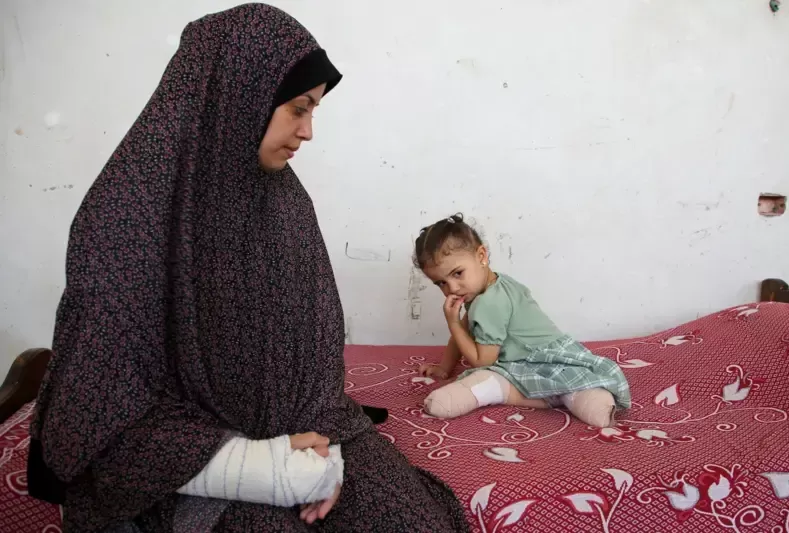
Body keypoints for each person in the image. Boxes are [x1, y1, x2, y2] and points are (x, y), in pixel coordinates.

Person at [26, 5, 469, 532]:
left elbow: (314, 350)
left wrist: (324, 451)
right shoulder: (128, 212)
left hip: (310, 422)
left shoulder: (285, 203)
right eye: (298, 108)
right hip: (191, 457)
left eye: (314, 110)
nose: (308, 131)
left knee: (413, 522)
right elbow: (99, 412)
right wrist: (263, 468)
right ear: (241, 94)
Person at [416, 214, 631, 427]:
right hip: (555, 352)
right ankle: (572, 394)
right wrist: (444, 367)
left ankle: (562, 396)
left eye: (457, 273)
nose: (452, 288)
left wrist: (452, 323)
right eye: (441, 283)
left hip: (535, 359)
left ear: (481, 255)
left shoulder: (488, 303)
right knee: (568, 382)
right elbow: (462, 332)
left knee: (487, 377)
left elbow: (483, 362)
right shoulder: (496, 283)